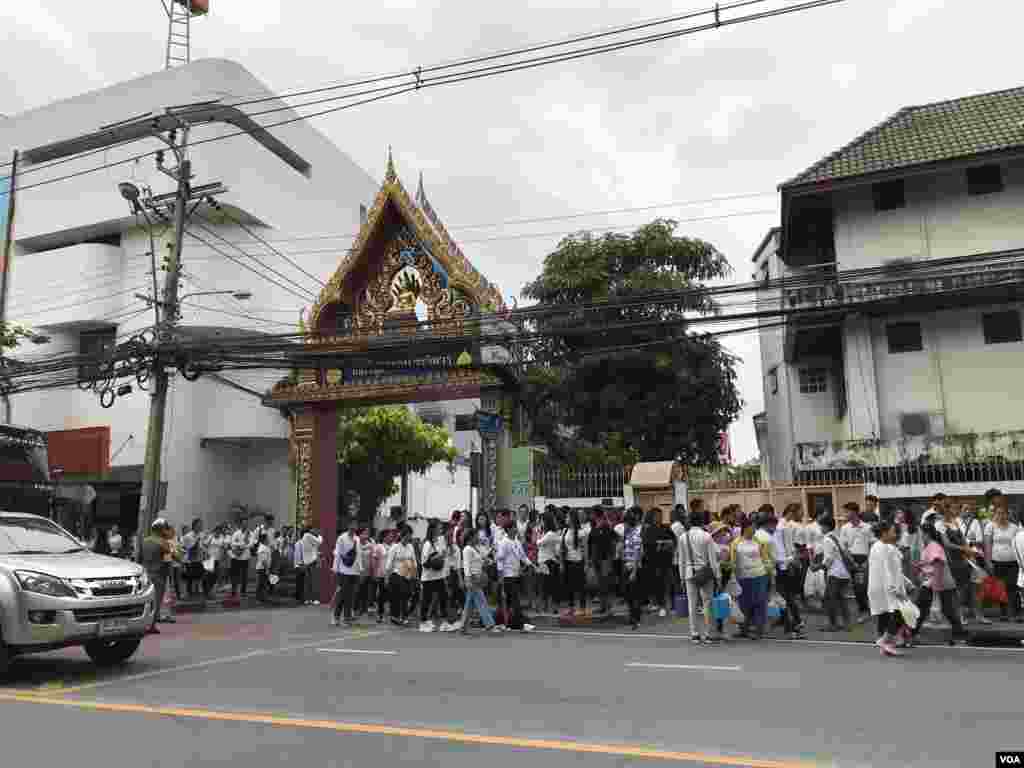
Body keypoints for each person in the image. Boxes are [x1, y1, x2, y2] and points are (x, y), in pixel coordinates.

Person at [913, 520, 968, 645]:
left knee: (921, 609)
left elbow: (938, 565)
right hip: (938, 583)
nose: (920, 535)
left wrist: (936, 591)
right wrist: (921, 566)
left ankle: (911, 634)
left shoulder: (933, 546)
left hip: (936, 583)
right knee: (946, 610)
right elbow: (932, 563)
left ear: (926, 534)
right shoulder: (930, 546)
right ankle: (959, 634)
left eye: (921, 533)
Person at [679, 504, 720, 645]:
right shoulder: (707, 536)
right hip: (705, 572)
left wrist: (681, 576)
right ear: (702, 521)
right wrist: (718, 576)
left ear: (689, 521)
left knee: (692, 604)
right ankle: (709, 634)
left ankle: (694, 634)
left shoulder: (683, 537)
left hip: (689, 572)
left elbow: (681, 559)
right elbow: (712, 560)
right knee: (708, 604)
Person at [868, 519, 909, 657]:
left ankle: (887, 645)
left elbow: (896, 569)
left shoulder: (887, 546)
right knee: (900, 613)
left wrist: (906, 582)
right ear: (884, 533)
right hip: (885, 587)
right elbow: (885, 571)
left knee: (887, 616)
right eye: (892, 531)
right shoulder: (880, 547)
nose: (894, 533)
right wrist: (894, 589)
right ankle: (885, 640)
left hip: (887, 586)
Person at [730, 513, 773, 640]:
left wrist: (770, 573)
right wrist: (733, 576)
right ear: (746, 528)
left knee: (759, 602)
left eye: (754, 527)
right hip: (743, 577)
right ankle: (744, 629)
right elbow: (733, 562)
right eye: (752, 527)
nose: (754, 529)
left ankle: (759, 630)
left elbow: (765, 558)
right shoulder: (735, 543)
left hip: (760, 575)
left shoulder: (758, 541)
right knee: (744, 604)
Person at [984, 490, 1020, 623]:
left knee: (1012, 587)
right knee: (1000, 588)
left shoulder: (1014, 527)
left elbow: (1018, 544)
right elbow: (987, 545)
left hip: (1013, 562)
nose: (1001, 515)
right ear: (995, 514)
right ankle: (1004, 613)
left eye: (1003, 513)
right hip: (997, 562)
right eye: (999, 513)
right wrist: (988, 561)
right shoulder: (990, 526)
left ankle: (1016, 614)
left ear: (1007, 514)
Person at [460, 528, 501, 635]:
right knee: (482, 601)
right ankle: (490, 625)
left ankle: (463, 626)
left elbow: (480, 561)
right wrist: (468, 579)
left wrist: (488, 558)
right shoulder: (467, 549)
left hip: (477, 578)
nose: (478, 538)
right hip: (473, 578)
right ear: (471, 537)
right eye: (476, 536)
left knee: (469, 604)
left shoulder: (475, 548)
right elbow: (466, 565)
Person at [497, 522, 536, 632]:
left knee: (508, 602)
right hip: (507, 576)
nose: (516, 529)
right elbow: (500, 561)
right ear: (508, 530)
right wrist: (500, 578)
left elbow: (523, 556)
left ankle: (504, 623)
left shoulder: (517, 542)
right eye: (514, 527)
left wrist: (532, 565)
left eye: (515, 527)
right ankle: (521, 625)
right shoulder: (503, 543)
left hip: (516, 574)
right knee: (515, 600)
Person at [773, 504, 806, 639]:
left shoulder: (784, 526)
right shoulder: (784, 527)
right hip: (786, 564)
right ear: (791, 513)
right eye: (800, 512)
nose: (802, 515)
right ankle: (793, 622)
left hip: (786, 564)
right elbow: (788, 547)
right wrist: (792, 561)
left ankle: (793, 622)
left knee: (786, 595)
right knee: (787, 595)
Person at [838, 502, 873, 623]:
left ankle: (865, 610)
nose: (845, 514)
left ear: (855, 512)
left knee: (861, 587)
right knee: (857, 587)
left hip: (864, 559)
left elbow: (872, 545)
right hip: (852, 559)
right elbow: (844, 547)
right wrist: (851, 561)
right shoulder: (844, 528)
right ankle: (864, 610)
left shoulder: (867, 527)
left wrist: (867, 562)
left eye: (847, 511)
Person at [139, 519, 173, 632]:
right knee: (157, 601)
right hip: (159, 575)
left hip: (146, 575)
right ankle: (152, 625)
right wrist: (168, 575)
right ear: (160, 530)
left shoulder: (144, 541)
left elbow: (139, 558)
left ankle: (143, 624)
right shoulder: (164, 543)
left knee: (146, 601)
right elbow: (168, 561)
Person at [820, 515, 852, 632]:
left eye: (821, 526)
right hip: (844, 572)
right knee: (840, 598)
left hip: (835, 573)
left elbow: (828, 559)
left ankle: (833, 624)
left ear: (825, 526)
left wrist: (821, 567)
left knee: (829, 598)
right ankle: (847, 623)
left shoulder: (827, 539)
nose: (820, 528)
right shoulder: (836, 537)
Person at [642, 508, 675, 617]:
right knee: (657, 585)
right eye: (656, 516)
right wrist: (660, 544)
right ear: (652, 517)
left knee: (669, 584)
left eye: (660, 515)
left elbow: (673, 541)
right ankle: (659, 605)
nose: (659, 518)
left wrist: (666, 543)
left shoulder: (666, 528)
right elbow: (647, 545)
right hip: (653, 562)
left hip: (666, 561)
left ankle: (670, 605)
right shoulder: (648, 530)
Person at [330, 519, 362, 627]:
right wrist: (335, 569)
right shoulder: (341, 538)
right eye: (352, 524)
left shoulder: (357, 539)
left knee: (351, 596)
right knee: (342, 595)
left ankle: (347, 618)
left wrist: (360, 569)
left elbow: (359, 555)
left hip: (354, 571)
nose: (354, 526)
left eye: (356, 524)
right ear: (348, 525)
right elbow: (338, 554)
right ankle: (336, 617)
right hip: (343, 571)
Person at [419, 520, 449, 633]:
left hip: (439, 575)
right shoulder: (427, 544)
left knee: (443, 597)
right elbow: (425, 562)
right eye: (439, 528)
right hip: (428, 577)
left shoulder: (439, 541)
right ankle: (423, 622)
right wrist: (439, 557)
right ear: (433, 529)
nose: (440, 530)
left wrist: (443, 556)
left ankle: (444, 623)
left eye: (441, 528)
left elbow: (442, 556)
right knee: (426, 600)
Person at [588, 508, 617, 614]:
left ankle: (607, 606)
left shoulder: (605, 526)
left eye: (591, 513)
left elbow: (614, 539)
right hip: (597, 558)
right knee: (600, 583)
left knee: (604, 583)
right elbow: (591, 543)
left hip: (605, 558)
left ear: (595, 514)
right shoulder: (595, 526)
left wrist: (610, 557)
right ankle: (603, 606)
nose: (590, 515)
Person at [386, 526, 417, 626]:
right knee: (399, 595)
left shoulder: (410, 547)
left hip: (407, 575)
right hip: (396, 574)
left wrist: (414, 575)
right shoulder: (395, 547)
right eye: (408, 535)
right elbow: (389, 563)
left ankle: (403, 616)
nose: (409, 538)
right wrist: (386, 577)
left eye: (410, 536)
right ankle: (397, 616)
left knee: (407, 595)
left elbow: (414, 562)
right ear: (403, 536)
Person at [561, 508, 588, 616]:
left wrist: (586, 563)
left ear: (572, 518)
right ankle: (571, 607)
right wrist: (562, 562)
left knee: (580, 586)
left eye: (567, 517)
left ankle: (582, 608)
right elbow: (563, 547)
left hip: (578, 561)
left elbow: (585, 549)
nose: (566, 519)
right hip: (568, 561)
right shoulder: (565, 531)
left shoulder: (582, 532)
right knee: (569, 586)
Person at [622, 506, 645, 630]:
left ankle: (636, 619)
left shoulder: (636, 534)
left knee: (635, 595)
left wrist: (634, 571)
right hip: (627, 566)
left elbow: (638, 553)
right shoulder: (628, 533)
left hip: (634, 568)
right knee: (628, 594)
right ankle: (632, 617)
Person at [537, 511, 562, 615]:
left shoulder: (550, 534)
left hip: (548, 562)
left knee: (549, 586)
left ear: (546, 521)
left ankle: (552, 607)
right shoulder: (547, 533)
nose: (540, 522)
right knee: (546, 586)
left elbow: (538, 543)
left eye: (541, 520)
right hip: (545, 561)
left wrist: (538, 535)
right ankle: (547, 607)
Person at [229, 518, 253, 598]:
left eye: (246, 523)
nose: (245, 525)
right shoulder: (236, 533)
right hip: (236, 557)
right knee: (235, 575)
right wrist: (243, 544)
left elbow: (251, 544)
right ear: (241, 524)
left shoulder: (250, 533)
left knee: (244, 576)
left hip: (245, 557)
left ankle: (243, 591)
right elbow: (232, 543)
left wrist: (241, 545)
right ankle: (234, 591)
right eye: (243, 523)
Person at [254, 533, 272, 603]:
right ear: (264, 540)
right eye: (267, 538)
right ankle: (258, 598)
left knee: (263, 584)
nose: (268, 539)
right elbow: (263, 560)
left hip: (264, 568)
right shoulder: (262, 548)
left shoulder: (265, 547)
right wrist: (267, 569)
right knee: (260, 584)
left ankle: (262, 598)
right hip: (262, 568)